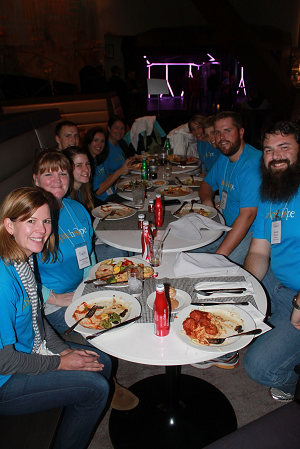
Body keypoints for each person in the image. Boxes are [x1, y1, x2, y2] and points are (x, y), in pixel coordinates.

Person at [0, 187, 111, 449]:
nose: (41, 229)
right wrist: (59, 364)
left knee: (101, 360)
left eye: (46, 220)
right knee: (97, 388)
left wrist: (62, 350)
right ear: (9, 225)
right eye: (30, 221)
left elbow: (38, 322)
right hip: (5, 382)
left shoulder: (25, 261)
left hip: (30, 352)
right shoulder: (4, 281)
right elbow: (4, 362)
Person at [32, 150, 137, 410]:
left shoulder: (77, 209)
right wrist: (54, 297)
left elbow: (87, 253)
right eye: (48, 174)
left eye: (62, 173)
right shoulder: (32, 219)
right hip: (49, 302)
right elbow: (18, 277)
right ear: (35, 180)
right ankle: (108, 381)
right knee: (103, 323)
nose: (57, 180)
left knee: (126, 300)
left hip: (81, 288)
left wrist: (93, 283)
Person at [191, 111, 261, 370]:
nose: (220, 138)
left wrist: (219, 257)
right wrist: (210, 207)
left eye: (227, 131)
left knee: (214, 275)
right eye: (217, 132)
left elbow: (248, 216)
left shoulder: (252, 164)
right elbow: (205, 186)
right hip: (224, 226)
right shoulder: (225, 159)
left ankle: (226, 349)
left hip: (253, 231)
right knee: (188, 256)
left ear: (241, 132)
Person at [243, 121, 300, 402]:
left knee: (259, 367)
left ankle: (294, 384)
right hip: (279, 283)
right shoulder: (272, 192)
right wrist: (244, 291)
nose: (275, 156)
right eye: (268, 150)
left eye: (284, 147)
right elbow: (259, 253)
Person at [82, 126, 132, 206]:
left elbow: (106, 180)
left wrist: (123, 168)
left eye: (102, 141)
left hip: (112, 195)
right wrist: (119, 172)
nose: (99, 144)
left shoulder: (98, 160)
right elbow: (98, 191)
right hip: (103, 202)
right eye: (96, 140)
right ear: (88, 142)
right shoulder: (87, 164)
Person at [62, 146, 94, 214]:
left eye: (87, 164)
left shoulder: (83, 189)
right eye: (79, 165)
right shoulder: (66, 198)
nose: (86, 169)